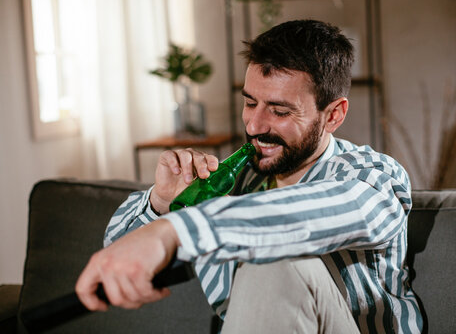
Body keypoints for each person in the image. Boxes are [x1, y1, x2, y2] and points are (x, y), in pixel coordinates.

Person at [76, 19, 423, 333]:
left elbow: (296, 218)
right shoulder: (236, 183)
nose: (255, 126)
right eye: (250, 103)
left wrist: (177, 230)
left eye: (279, 110)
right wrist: (163, 205)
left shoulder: (372, 177)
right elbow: (118, 254)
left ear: (333, 115)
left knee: (274, 261)